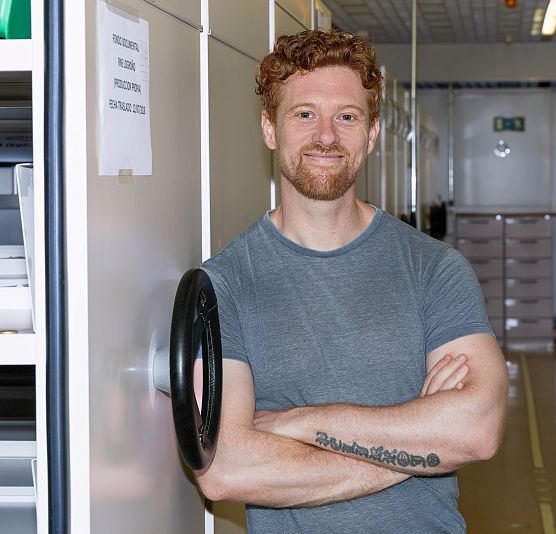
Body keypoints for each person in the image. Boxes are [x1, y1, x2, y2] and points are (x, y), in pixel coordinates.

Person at [197, 29, 508, 533]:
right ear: (269, 128)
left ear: (371, 134)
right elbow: (225, 469)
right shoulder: (222, 286)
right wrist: (421, 444)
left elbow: (476, 431)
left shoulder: (434, 268)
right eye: (304, 115)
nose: (326, 136)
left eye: (347, 116)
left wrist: (298, 423)